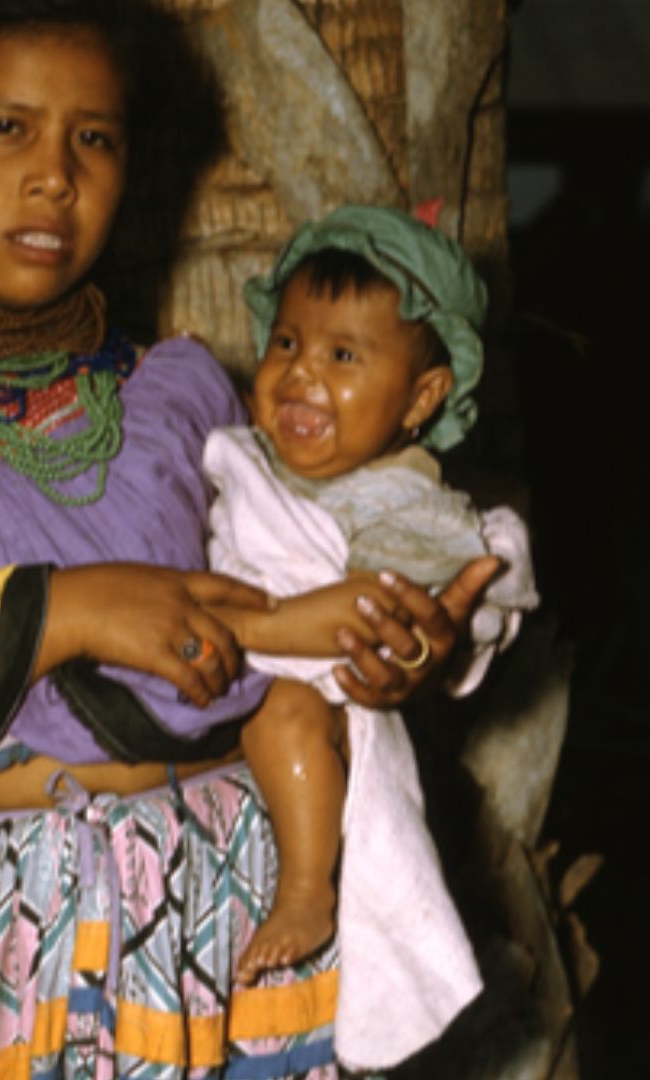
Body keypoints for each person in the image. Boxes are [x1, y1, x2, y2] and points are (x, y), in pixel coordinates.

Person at [0, 2, 499, 1075]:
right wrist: (52, 613)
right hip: (1, 954)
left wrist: (389, 647)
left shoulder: (177, 399)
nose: (55, 177)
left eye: (94, 138)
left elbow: (285, 601)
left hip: (231, 930)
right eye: (8, 127)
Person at [204, 203, 540, 1070]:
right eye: (287, 343)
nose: (301, 372)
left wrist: (403, 631)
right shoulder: (251, 463)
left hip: (319, 701)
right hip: (218, 733)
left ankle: (307, 889)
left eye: (343, 356)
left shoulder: (405, 499)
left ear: (422, 399)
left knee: (285, 714)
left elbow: (404, 600)